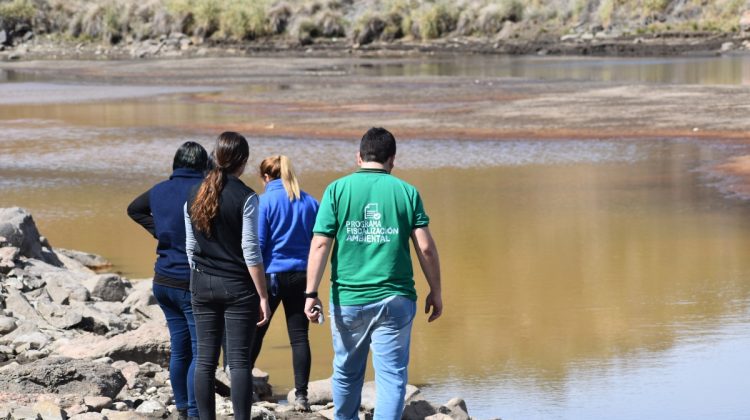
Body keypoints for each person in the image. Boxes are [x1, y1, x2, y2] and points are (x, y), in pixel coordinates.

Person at [304, 127, 443, 419]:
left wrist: (310, 292)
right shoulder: (406, 192)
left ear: (359, 157)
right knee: (392, 379)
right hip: (395, 300)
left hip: (348, 298)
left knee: (345, 372)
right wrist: (436, 290)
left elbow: (320, 244)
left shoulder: (337, 190)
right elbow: (426, 248)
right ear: (392, 159)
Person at [184, 132, 271, 420]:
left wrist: (200, 276)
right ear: (243, 162)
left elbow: (190, 247)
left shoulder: (194, 193)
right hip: (237, 288)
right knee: (238, 362)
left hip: (202, 283)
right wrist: (262, 294)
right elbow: (250, 250)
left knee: (205, 361)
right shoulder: (247, 197)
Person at [127, 141, 208, 420]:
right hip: (191, 282)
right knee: (200, 351)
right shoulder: (203, 191)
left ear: (176, 163)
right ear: (203, 165)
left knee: (180, 348)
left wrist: (159, 231)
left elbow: (134, 209)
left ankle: (184, 409)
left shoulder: (159, 190)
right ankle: (196, 413)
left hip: (163, 280)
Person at [251, 155, 319, 411]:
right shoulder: (311, 202)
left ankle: (243, 388)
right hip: (302, 276)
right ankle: (301, 396)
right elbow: (319, 243)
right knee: (300, 338)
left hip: (271, 276)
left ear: (266, 177)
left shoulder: (263, 202)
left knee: (257, 330)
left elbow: (257, 245)